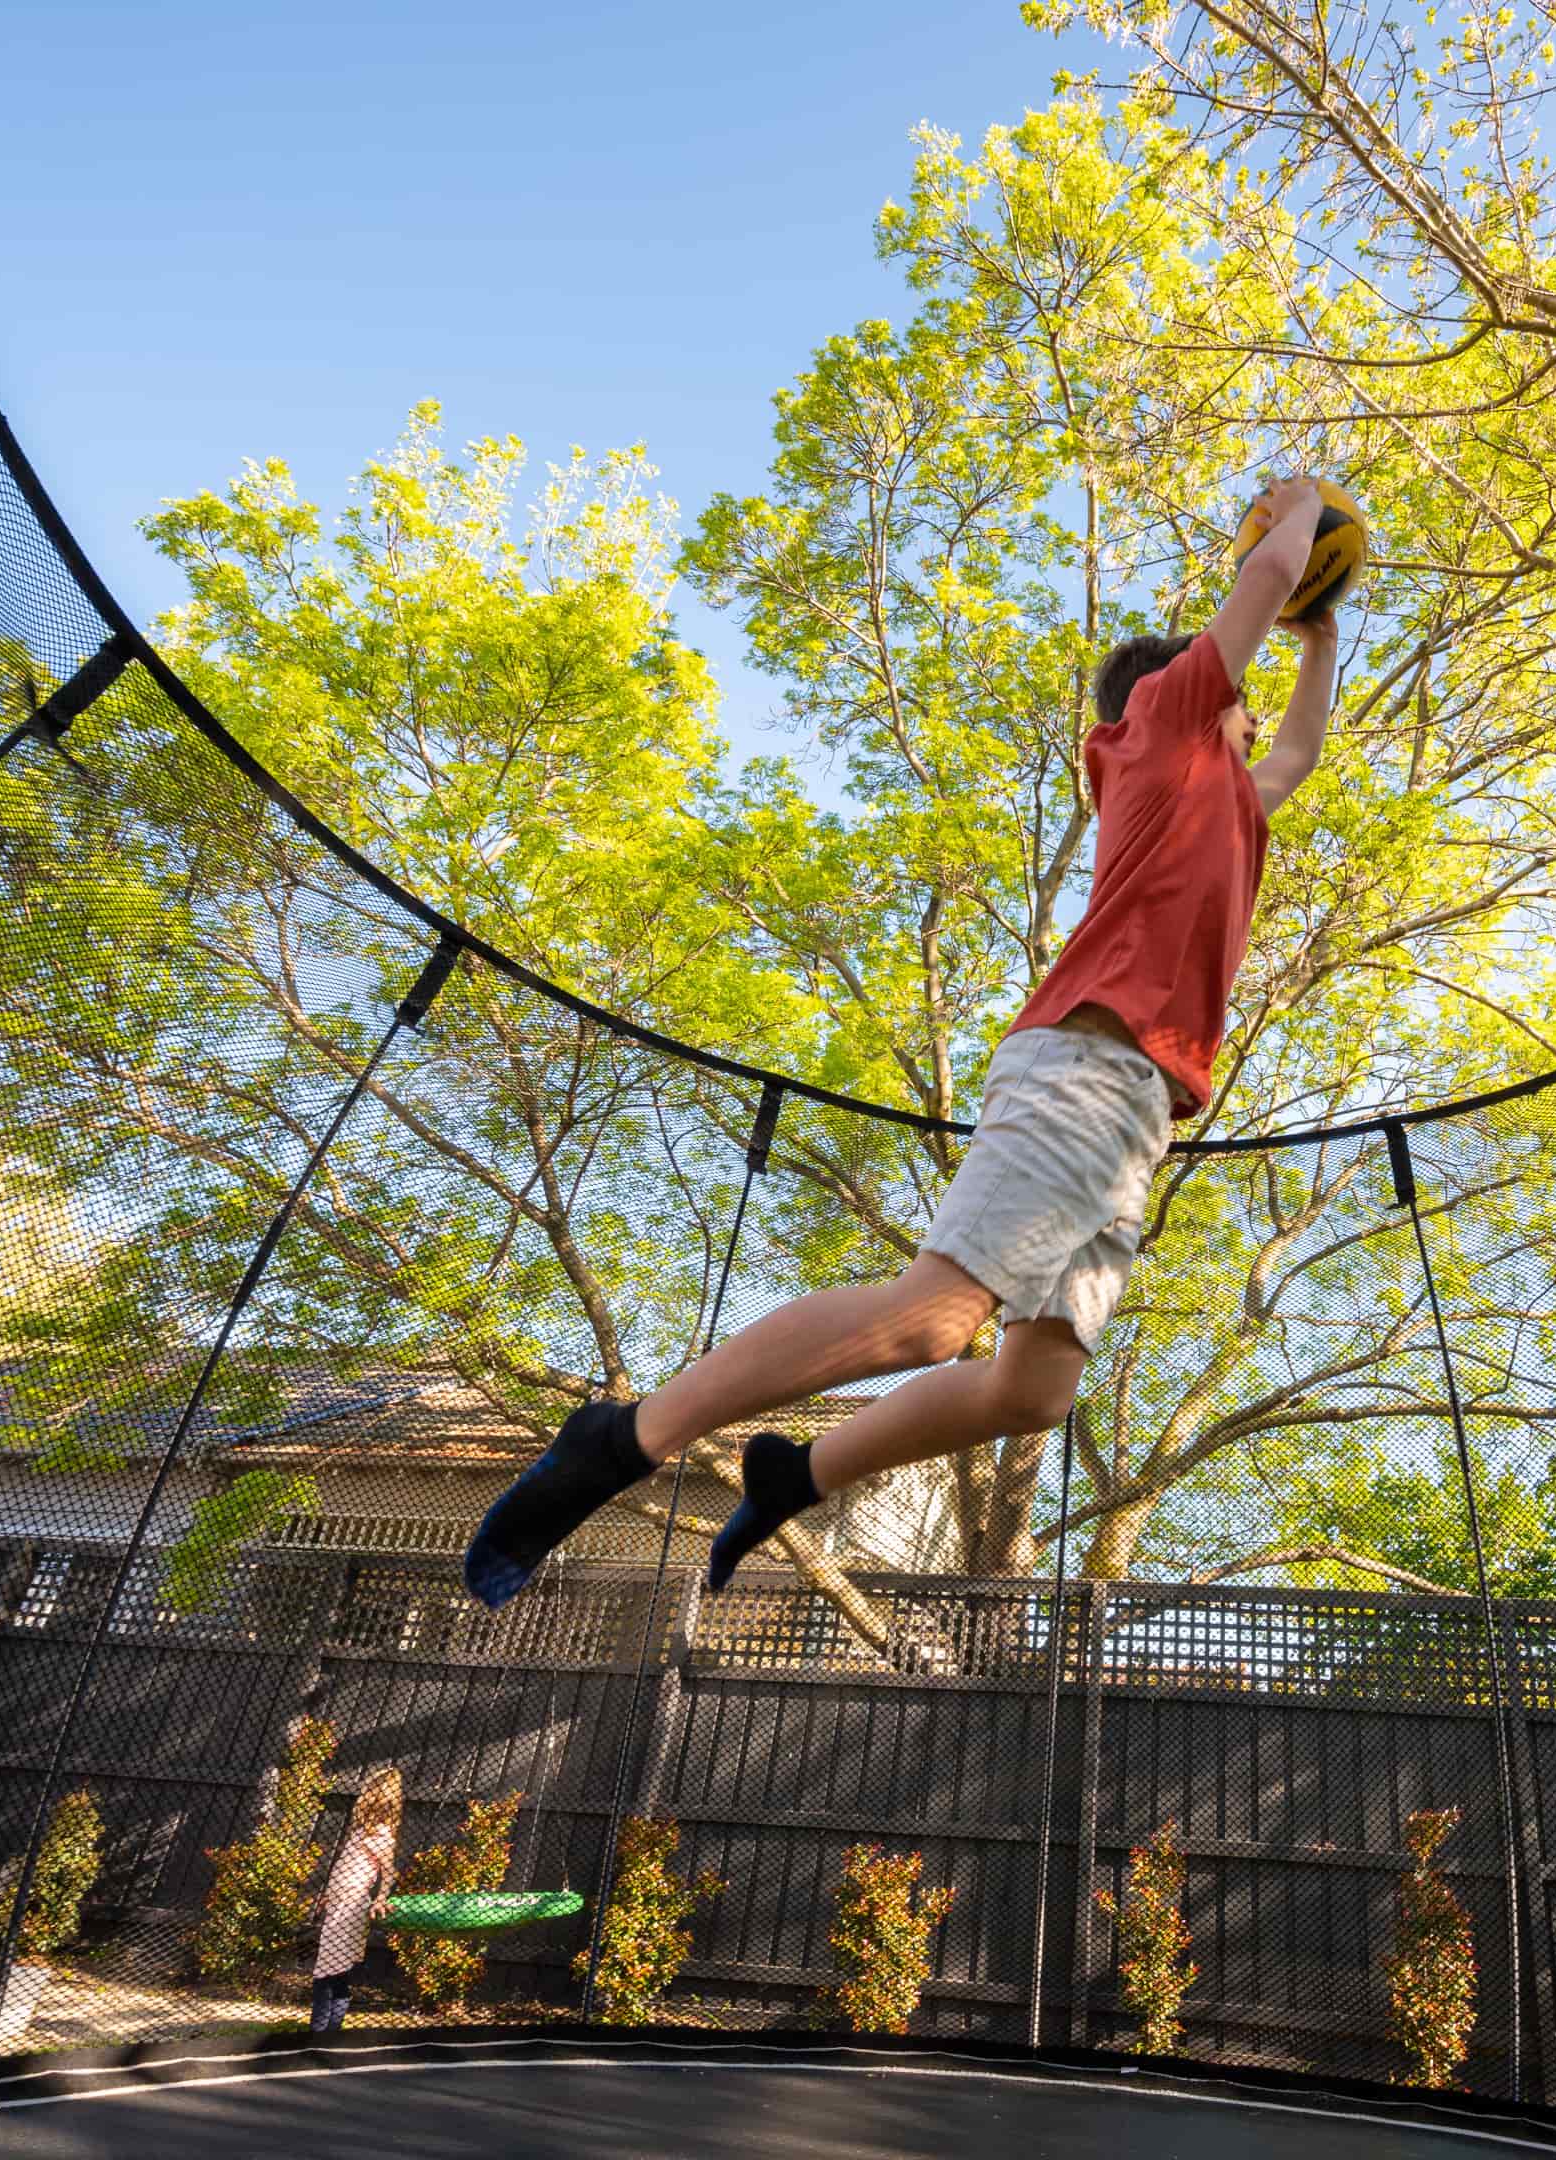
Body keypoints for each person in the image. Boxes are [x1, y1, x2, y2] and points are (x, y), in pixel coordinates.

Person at [465, 475, 1346, 1609]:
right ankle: (628, 1435)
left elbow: (1302, 753)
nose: (1256, 713)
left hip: (1136, 1121)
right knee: (935, 1318)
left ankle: (799, 1471)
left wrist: (1320, 632)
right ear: (1184, 692)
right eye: (1244, 691)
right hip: (1086, 1069)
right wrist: (1299, 515)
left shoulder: (1229, 796)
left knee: (1033, 1391)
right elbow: (1265, 577)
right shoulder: (1161, 733)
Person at [309, 1766, 405, 2034]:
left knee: (326, 1971)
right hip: (339, 1903)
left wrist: (380, 1899)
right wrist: (328, 1893)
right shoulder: (361, 1832)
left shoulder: (381, 1835)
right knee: (333, 1971)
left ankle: (321, 2031)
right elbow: (344, 1866)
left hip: (351, 1908)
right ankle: (328, 2031)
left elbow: (389, 1873)